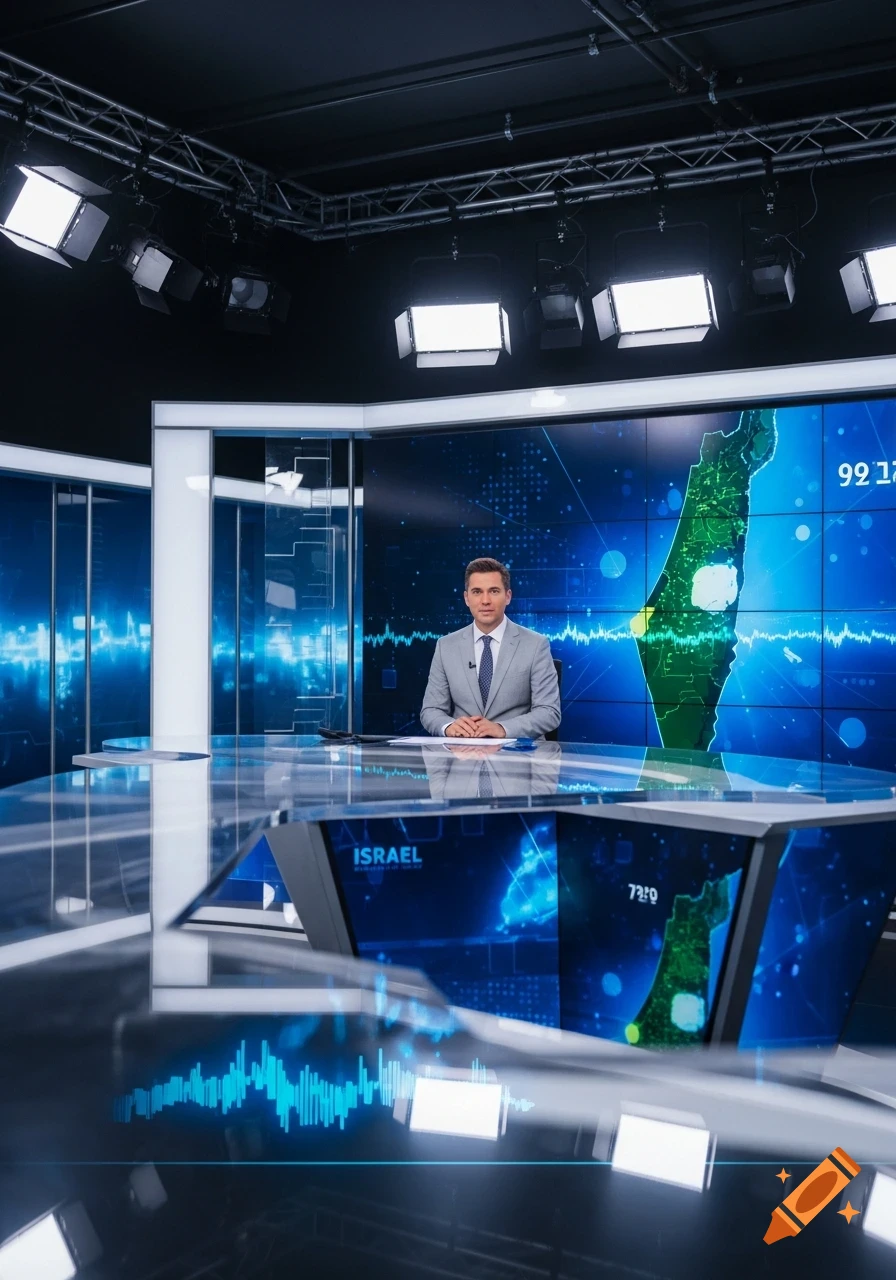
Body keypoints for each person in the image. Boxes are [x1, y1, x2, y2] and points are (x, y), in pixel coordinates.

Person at [420, 557, 561, 739]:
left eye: (494, 591)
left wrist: (502, 729)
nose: (485, 600)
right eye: (477, 592)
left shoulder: (535, 645)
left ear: (508, 596)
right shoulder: (446, 646)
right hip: (462, 757)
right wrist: (449, 726)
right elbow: (431, 711)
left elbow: (549, 712)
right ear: (466, 598)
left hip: (518, 757)